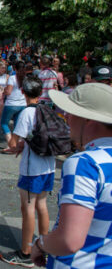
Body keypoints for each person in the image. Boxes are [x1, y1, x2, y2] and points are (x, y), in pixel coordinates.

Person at [30, 83, 112, 268]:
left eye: (71, 111)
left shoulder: (85, 163)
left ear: (88, 120)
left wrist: (40, 244)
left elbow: (69, 240)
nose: (66, 116)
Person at [0, 76, 55, 267]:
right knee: (42, 206)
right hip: (49, 166)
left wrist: (15, 145)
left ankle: (26, 253)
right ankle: (45, 248)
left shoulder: (27, 113)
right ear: (40, 92)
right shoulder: (47, 109)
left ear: (22, 92)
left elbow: (13, 143)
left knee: (28, 209)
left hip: (32, 169)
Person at [0, 61, 28, 154]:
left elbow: (8, 92)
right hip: (22, 104)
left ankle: (10, 144)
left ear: (15, 68)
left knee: (4, 123)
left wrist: (4, 91)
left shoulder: (12, 78)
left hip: (11, 103)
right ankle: (16, 144)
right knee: (17, 125)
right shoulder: (26, 78)